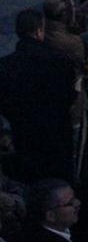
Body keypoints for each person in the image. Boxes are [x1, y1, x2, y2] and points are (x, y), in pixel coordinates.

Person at [0, 11, 76, 181]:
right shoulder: (60, 62)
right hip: (57, 133)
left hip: (23, 133)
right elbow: (70, 97)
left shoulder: (5, 66)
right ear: (39, 31)